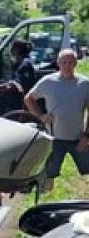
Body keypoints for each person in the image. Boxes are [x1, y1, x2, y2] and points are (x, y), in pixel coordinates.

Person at [24, 49, 89, 191]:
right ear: (58, 63)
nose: (67, 65)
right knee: (49, 173)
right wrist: (41, 116)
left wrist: (86, 135)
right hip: (53, 138)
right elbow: (29, 98)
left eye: (71, 62)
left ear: (76, 63)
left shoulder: (85, 84)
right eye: (64, 62)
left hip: (78, 139)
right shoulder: (48, 82)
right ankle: (46, 197)